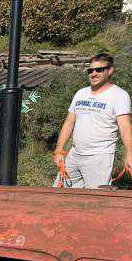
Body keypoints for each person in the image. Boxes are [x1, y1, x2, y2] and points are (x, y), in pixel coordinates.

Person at [53, 53, 132, 188]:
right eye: (90, 70)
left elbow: (125, 128)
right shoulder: (81, 93)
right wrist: (59, 150)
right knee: (59, 196)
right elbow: (69, 123)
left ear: (110, 70)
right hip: (74, 155)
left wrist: (129, 153)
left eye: (99, 70)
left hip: (99, 158)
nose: (93, 73)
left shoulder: (119, 95)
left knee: (97, 201)